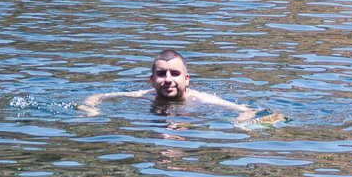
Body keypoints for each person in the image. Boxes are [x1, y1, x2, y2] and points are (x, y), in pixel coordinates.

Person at [77, 49, 257, 120]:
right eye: (161, 74)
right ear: (152, 80)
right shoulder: (143, 96)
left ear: (187, 79)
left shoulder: (203, 100)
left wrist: (241, 122)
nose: (168, 79)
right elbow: (96, 97)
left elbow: (246, 110)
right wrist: (90, 109)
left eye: (175, 73)